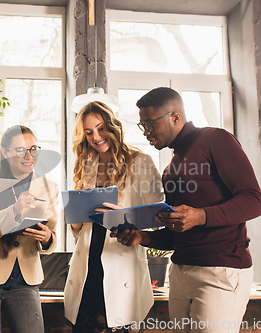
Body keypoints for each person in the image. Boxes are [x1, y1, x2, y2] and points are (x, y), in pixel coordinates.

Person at [112, 87, 261, 333]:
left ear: (175, 117)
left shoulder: (216, 139)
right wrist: (143, 237)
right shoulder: (171, 166)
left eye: (150, 124)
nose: (146, 132)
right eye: (142, 126)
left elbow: (254, 200)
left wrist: (200, 215)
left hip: (220, 271)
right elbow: (178, 232)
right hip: (180, 271)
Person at [64, 101, 164, 332]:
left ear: (112, 126)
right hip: (88, 267)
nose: (96, 137)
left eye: (100, 128)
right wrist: (75, 212)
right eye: (88, 132)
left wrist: (124, 216)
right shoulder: (86, 165)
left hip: (121, 267)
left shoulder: (141, 162)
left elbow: (159, 215)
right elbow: (78, 229)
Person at [0, 125, 58, 333]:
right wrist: (13, 211)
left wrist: (47, 238)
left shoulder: (49, 187)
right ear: (5, 152)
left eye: (33, 149)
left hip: (25, 280)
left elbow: (51, 236)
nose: (29, 156)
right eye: (20, 150)